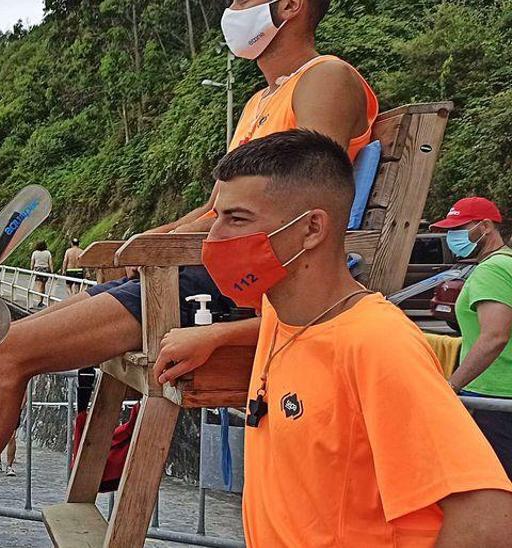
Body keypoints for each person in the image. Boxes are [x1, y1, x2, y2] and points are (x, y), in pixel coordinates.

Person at [0, 0, 381, 502]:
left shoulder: (325, 78)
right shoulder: (257, 103)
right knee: (1, 339)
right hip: (203, 269)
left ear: (290, 6)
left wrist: (177, 252)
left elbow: (310, 197)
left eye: (242, 0)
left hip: (240, 283)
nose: (231, 9)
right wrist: (149, 243)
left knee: (8, 352)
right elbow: (215, 209)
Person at [156, 130, 512, 545]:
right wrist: (217, 336)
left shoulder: (377, 345)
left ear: (311, 229)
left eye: (237, 219)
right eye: (215, 218)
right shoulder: (283, 310)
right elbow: (308, 334)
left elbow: (488, 519)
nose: (213, 238)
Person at [432, 196, 512, 477]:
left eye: (459, 228)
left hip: (492, 396)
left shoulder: (490, 270)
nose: (452, 237)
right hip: (501, 396)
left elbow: (495, 336)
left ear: (486, 226)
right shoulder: (507, 263)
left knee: (493, 485)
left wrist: (451, 386)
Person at [29, 241, 53, 308]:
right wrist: (52, 271)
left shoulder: (35, 253)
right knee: (43, 285)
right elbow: (50, 263)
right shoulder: (48, 253)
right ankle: (41, 301)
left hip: (37, 270)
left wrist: (31, 269)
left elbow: (32, 262)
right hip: (45, 269)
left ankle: (39, 300)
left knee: (38, 285)